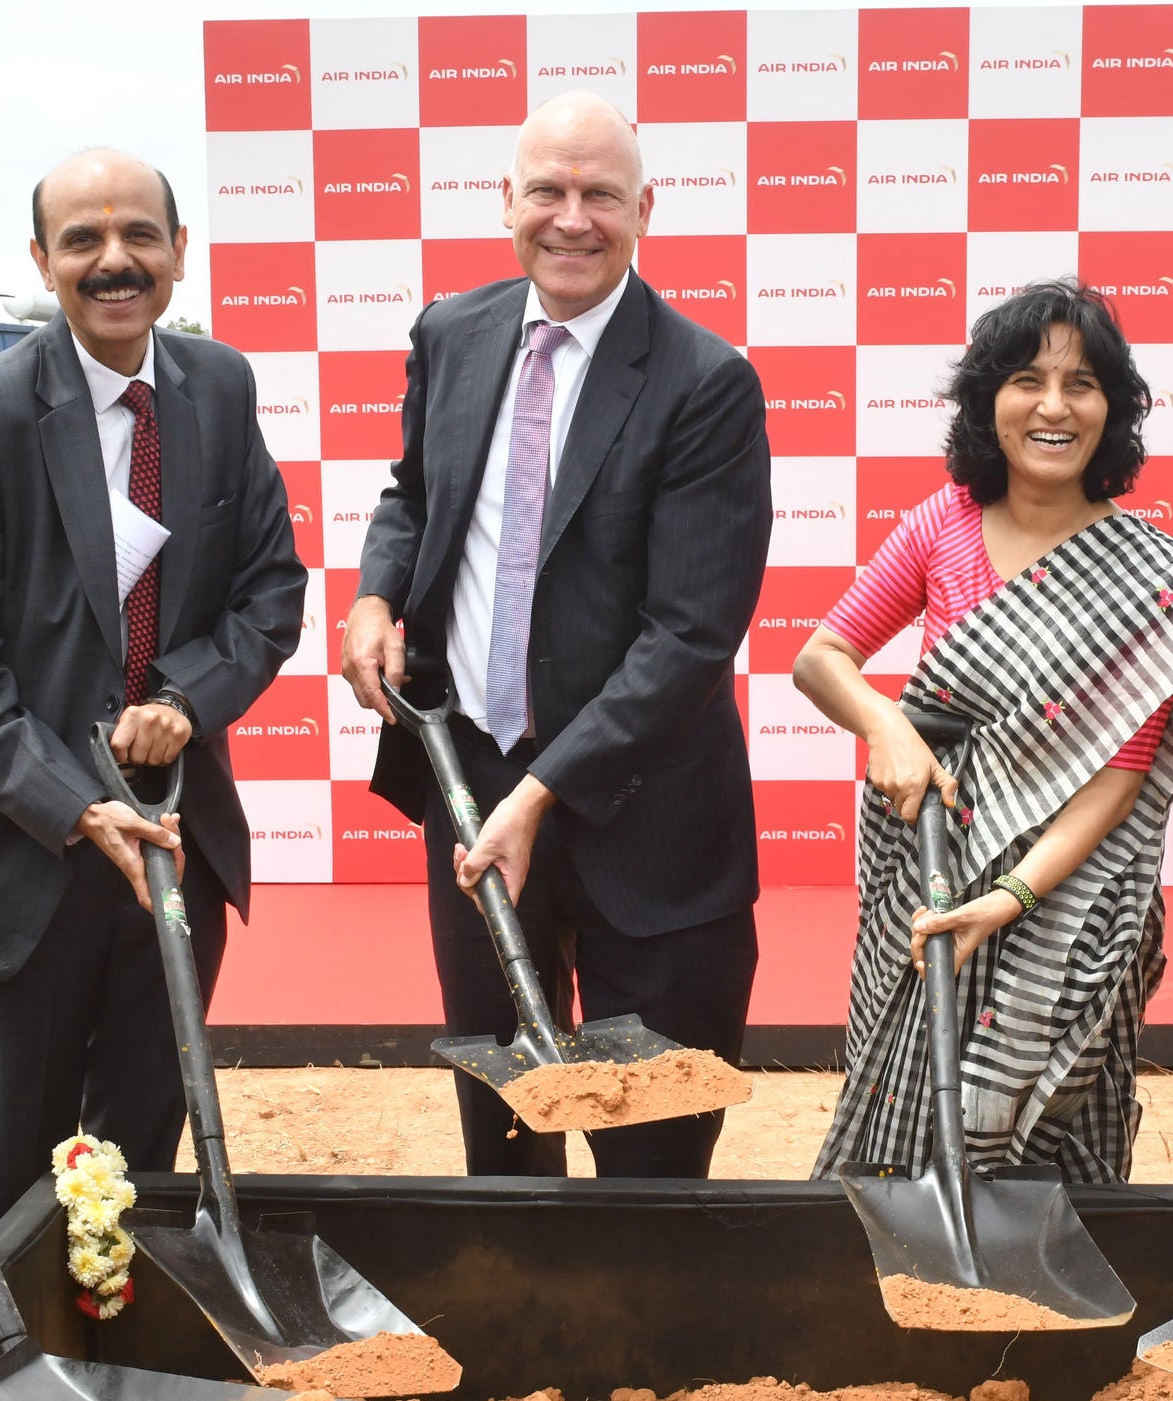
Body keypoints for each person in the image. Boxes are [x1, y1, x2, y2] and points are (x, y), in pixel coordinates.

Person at [340, 91, 772, 1179]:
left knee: (654, 1162)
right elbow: (411, 495)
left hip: (650, 821)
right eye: (547, 190)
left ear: (644, 211)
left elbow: (688, 636)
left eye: (599, 196)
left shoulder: (705, 384)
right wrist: (374, 596)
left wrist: (539, 797)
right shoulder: (451, 333)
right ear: (506, 202)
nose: (570, 219)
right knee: (507, 1142)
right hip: (473, 774)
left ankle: (655, 1348)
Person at [0, 148, 306, 1227]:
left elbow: (269, 592)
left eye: (139, 237)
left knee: (136, 1176)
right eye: (82, 240)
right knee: (25, 1197)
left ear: (180, 253)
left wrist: (184, 698)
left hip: (172, 849)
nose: (113, 261)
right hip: (23, 859)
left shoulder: (218, 386)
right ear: (42, 260)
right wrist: (77, 804)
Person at [798, 281, 1173, 1182]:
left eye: (1082, 383)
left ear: (1113, 411)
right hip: (929, 865)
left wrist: (1009, 895)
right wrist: (887, 725)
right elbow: (822, 658)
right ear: (988, 402)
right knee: (906, 1084)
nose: (1053, 405)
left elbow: (1116, 780)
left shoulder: (1152, 585)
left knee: (1051, 1115)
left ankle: (1045, 1293)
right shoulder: (944, 525)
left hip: (1074, 902)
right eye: (1026, 379)